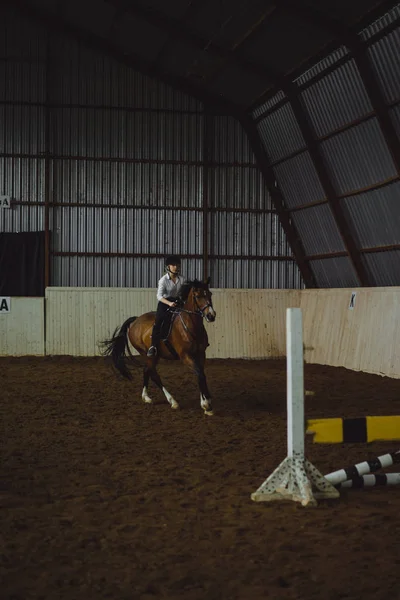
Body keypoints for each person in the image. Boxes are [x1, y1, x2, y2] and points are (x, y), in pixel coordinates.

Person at [147, 255, 186, 357]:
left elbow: (184, 293)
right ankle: (153, 346)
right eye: (173, 265)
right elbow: (159, 296)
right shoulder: (163, 280)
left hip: (178, 302)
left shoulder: (182, 279)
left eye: (177, 265)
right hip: (165, 302)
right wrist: (169, 303)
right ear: (168, 267)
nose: (176, 267)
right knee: (159, 320)